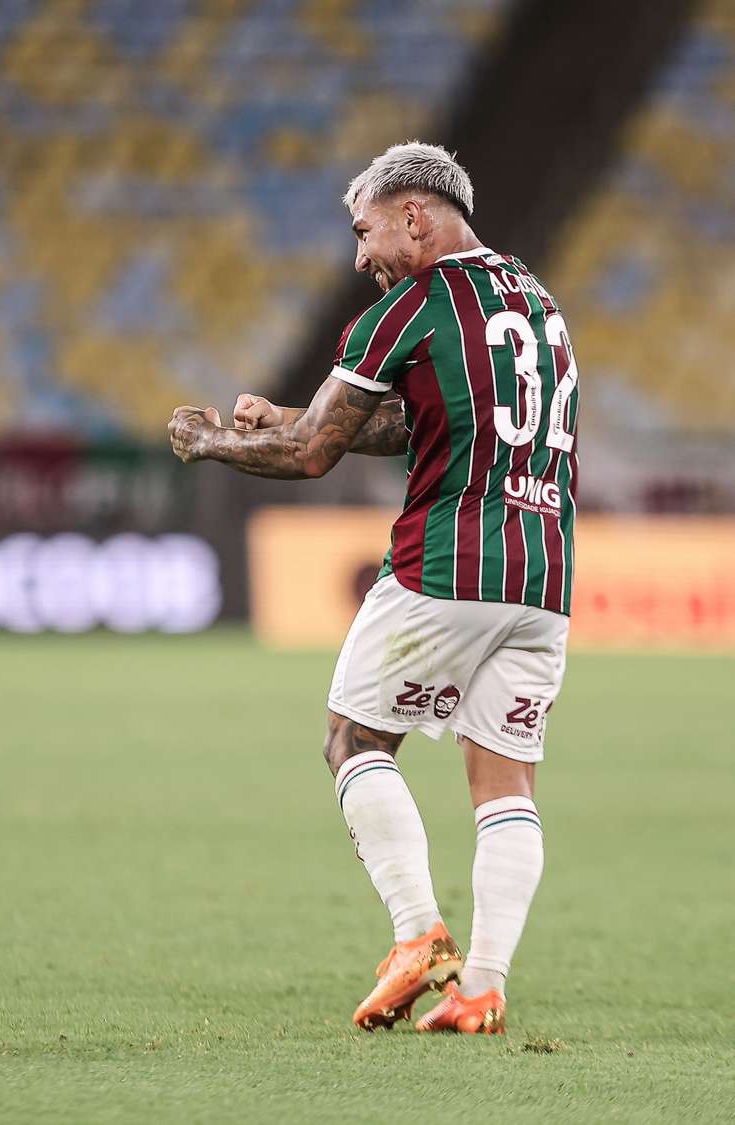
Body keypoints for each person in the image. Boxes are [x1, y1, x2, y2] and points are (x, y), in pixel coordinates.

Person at [168, 141, 579, 1035]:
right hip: (542, 575)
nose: (360, 258)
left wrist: (213, 441)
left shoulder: (412, 306)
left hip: (446, 561)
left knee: (353, 738)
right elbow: (413, 419)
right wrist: (297, 417)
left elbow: (310, 453)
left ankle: (416, 933)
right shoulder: (537, 302)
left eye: (365, 232)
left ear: (414, 216)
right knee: (506, 780)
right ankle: (484, 985)